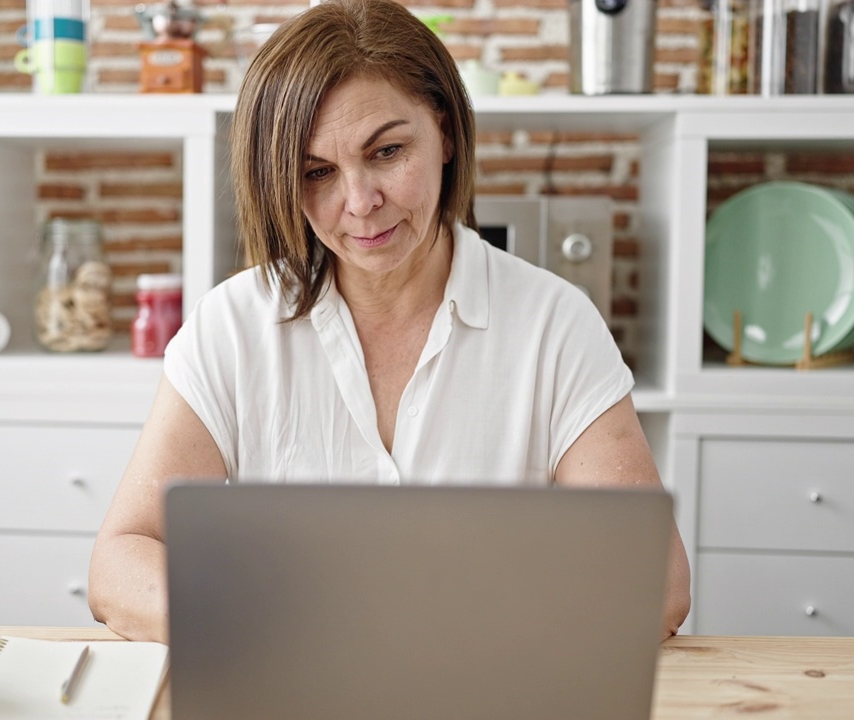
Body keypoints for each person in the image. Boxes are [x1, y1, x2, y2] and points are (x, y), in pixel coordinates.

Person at [89, 0, 691, 643]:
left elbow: (656, 582)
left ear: (446, 132)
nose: (360, 202)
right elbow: (120, 560)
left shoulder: (555, 324)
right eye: (317, 172)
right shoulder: (232, 326)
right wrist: (270, 622)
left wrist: (432, 627)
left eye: (387, 151)